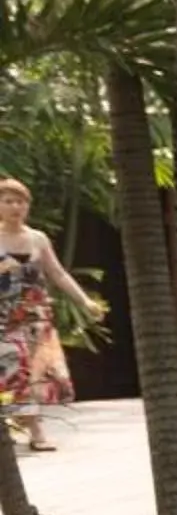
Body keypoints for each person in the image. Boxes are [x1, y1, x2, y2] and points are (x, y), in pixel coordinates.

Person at [0, 176, 100, 453]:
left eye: (20, 201)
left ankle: (35, 431)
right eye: (8, 201)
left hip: (35, 316)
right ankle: (27, 429)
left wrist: (84, 302)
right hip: (3, 317)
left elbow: (58, 273)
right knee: (11, 372)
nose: (15, 206)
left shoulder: (37, 239)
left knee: (30, 374)